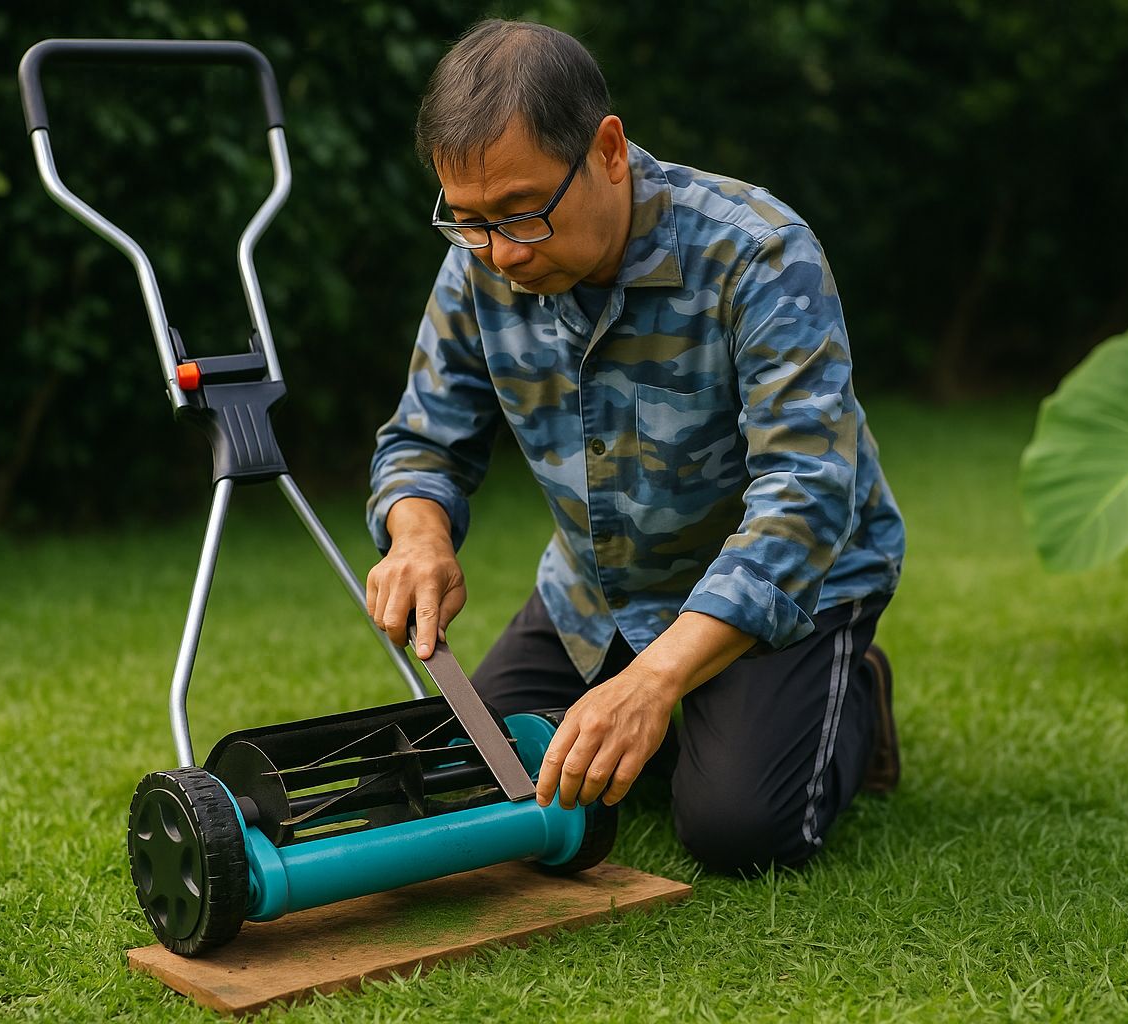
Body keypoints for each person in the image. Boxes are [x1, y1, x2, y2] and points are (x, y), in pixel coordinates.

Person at [364, 19, 905, 874]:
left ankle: (847, 690)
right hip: (599, 588)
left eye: (524, 212)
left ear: (607, 150)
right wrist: (419, 533)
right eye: (467, 221)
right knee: (473, 780)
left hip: (791, 584)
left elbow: (805, 497)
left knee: (738, 832)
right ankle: (659, 722)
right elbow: (424, 437)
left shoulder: (759, 252)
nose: (501, 253)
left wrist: (655, 681)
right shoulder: (480, 263)